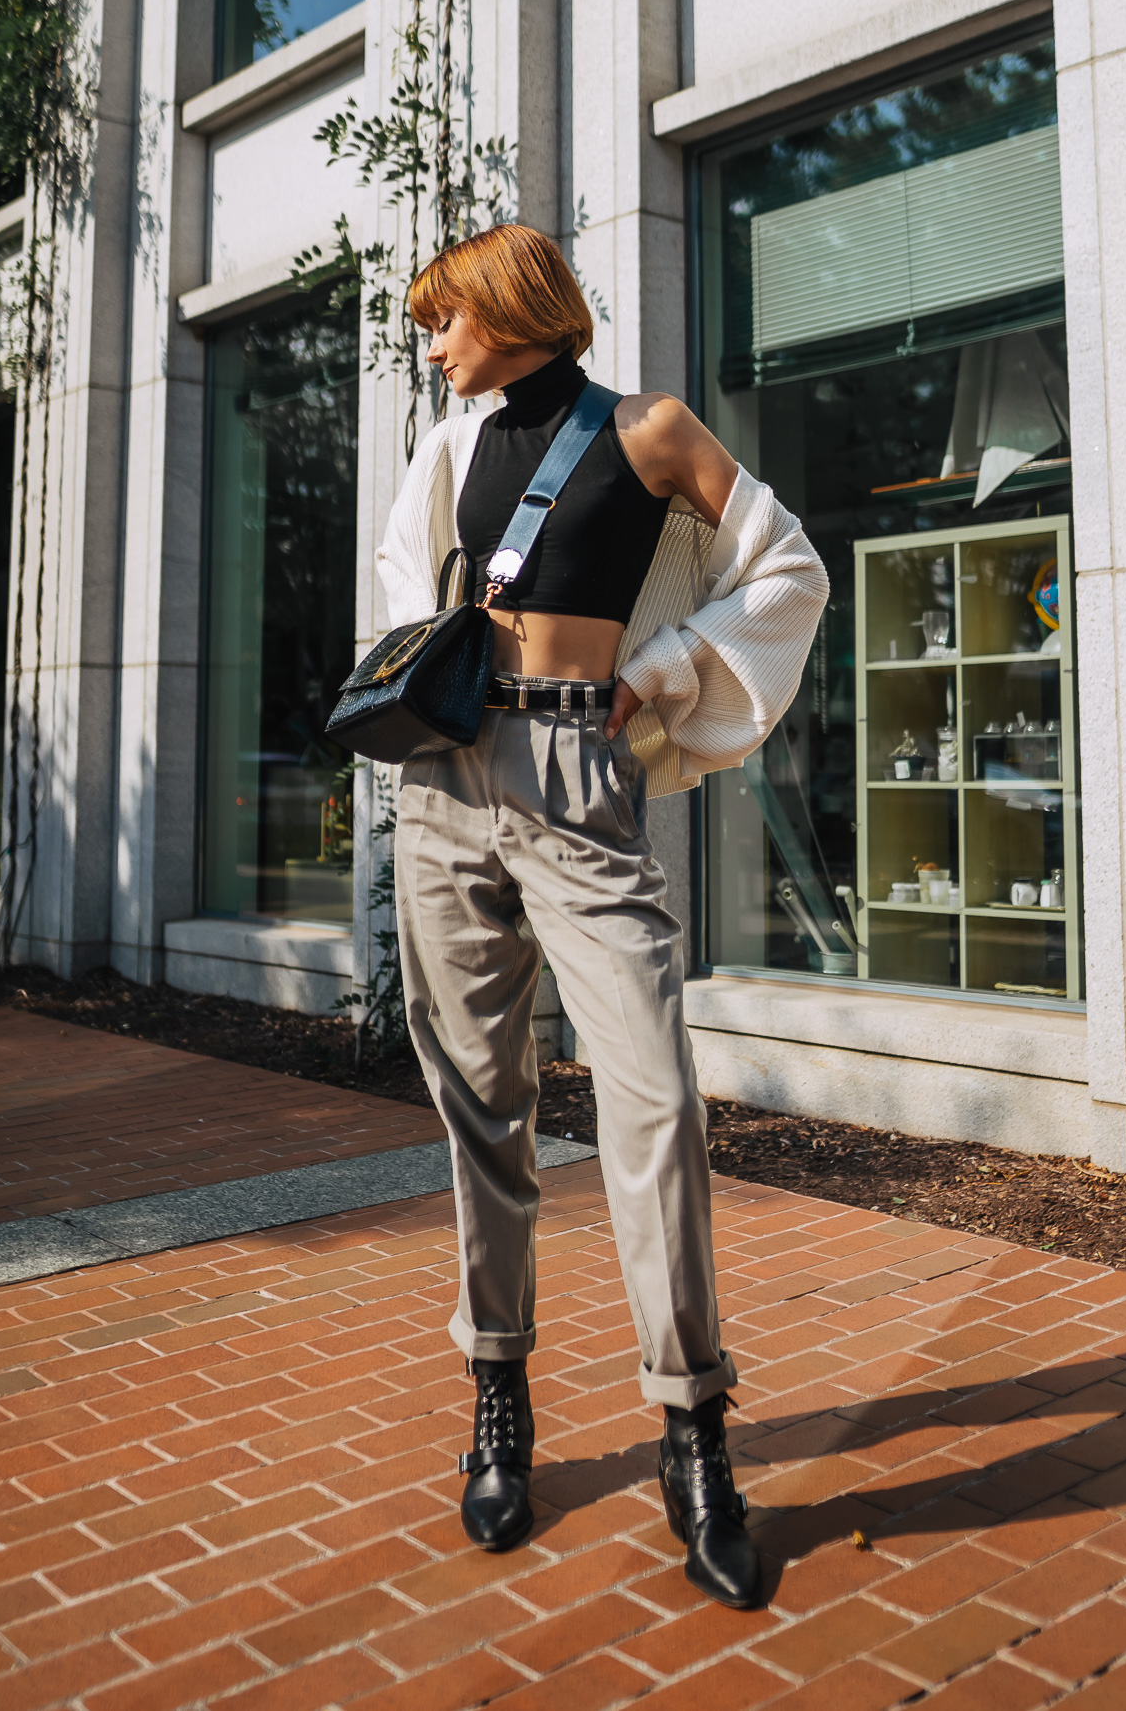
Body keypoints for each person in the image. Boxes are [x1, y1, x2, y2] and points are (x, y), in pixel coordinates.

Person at [376, 224, 828, 1610]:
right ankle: (498, 1396)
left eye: (443, 317)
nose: (430, 342)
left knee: (654, 1101)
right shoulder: (447, 453)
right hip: (446, 791)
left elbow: (787, 567)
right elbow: (406, 600)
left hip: (583, 776)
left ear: (511, 308)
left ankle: (695, 1432)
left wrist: (669, 672)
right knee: (482, 1105)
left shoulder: (650, 429)